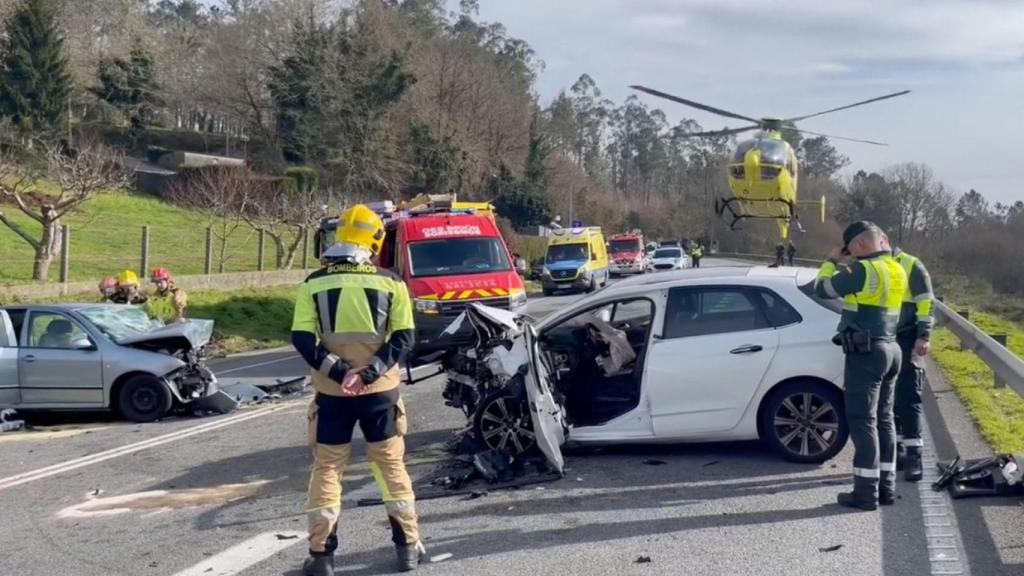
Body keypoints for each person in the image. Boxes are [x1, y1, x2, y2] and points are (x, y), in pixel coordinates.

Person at [291, 204, 422, 575]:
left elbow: (302, 337)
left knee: (328, 469)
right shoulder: (391, 282)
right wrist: (367, 375)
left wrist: (339, 372)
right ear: (374, 241)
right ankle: (407, 548)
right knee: (391, 466)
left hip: (332, 394)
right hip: (380, 392)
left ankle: (321, 557)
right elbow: (404, 337)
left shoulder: (314, 283)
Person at [815, 221, 908, 511]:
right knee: (884, 419)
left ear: (856, 246)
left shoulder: (862, 270)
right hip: (892, 349)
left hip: (866, 352)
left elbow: (823, 289)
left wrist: (832, 261)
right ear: (884, 239)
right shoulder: (897, 268)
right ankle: (886, 489)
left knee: (862, 419)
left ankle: (866, 494)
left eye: (852, 249)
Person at [891, 247, 934, 482]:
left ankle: (914, 457)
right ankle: (897, 451)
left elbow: (926, 302)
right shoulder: (874, 265)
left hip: (908, 339)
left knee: (909, 398)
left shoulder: (911, 265)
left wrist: (924, 336)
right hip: (886, 341)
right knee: (889, 399)